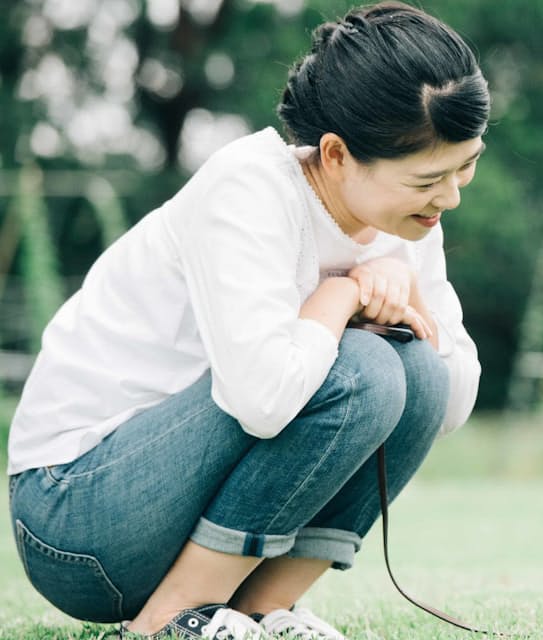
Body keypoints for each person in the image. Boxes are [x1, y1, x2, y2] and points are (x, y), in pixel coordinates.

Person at [6, 3, 487, 638]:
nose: (450, 196)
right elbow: (261, 400)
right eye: (430, 177)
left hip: (177, 507)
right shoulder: (248, 191)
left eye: (466, 165)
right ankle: (169, 622)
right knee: (365, 368)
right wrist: (343, 296)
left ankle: (259, 613)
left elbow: (447, 405)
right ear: (337, 155)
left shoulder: (411, 218)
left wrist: (413, 307)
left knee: (415, 371)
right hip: (78, 519)